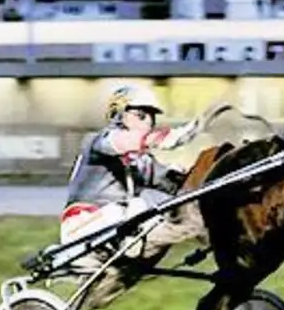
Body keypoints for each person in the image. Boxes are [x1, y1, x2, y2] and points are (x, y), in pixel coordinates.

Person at [60, 83, 202, 262]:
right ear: (118, 115)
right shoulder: (98, 141)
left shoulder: (142, 161)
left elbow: (176, 186)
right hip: (80, 227)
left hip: (114, 227)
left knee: (157, 213)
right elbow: (124, 142)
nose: (148, 122)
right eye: (141, 115)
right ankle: (129, 246)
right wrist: (166, 137)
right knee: (137, 206)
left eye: (151, 117)